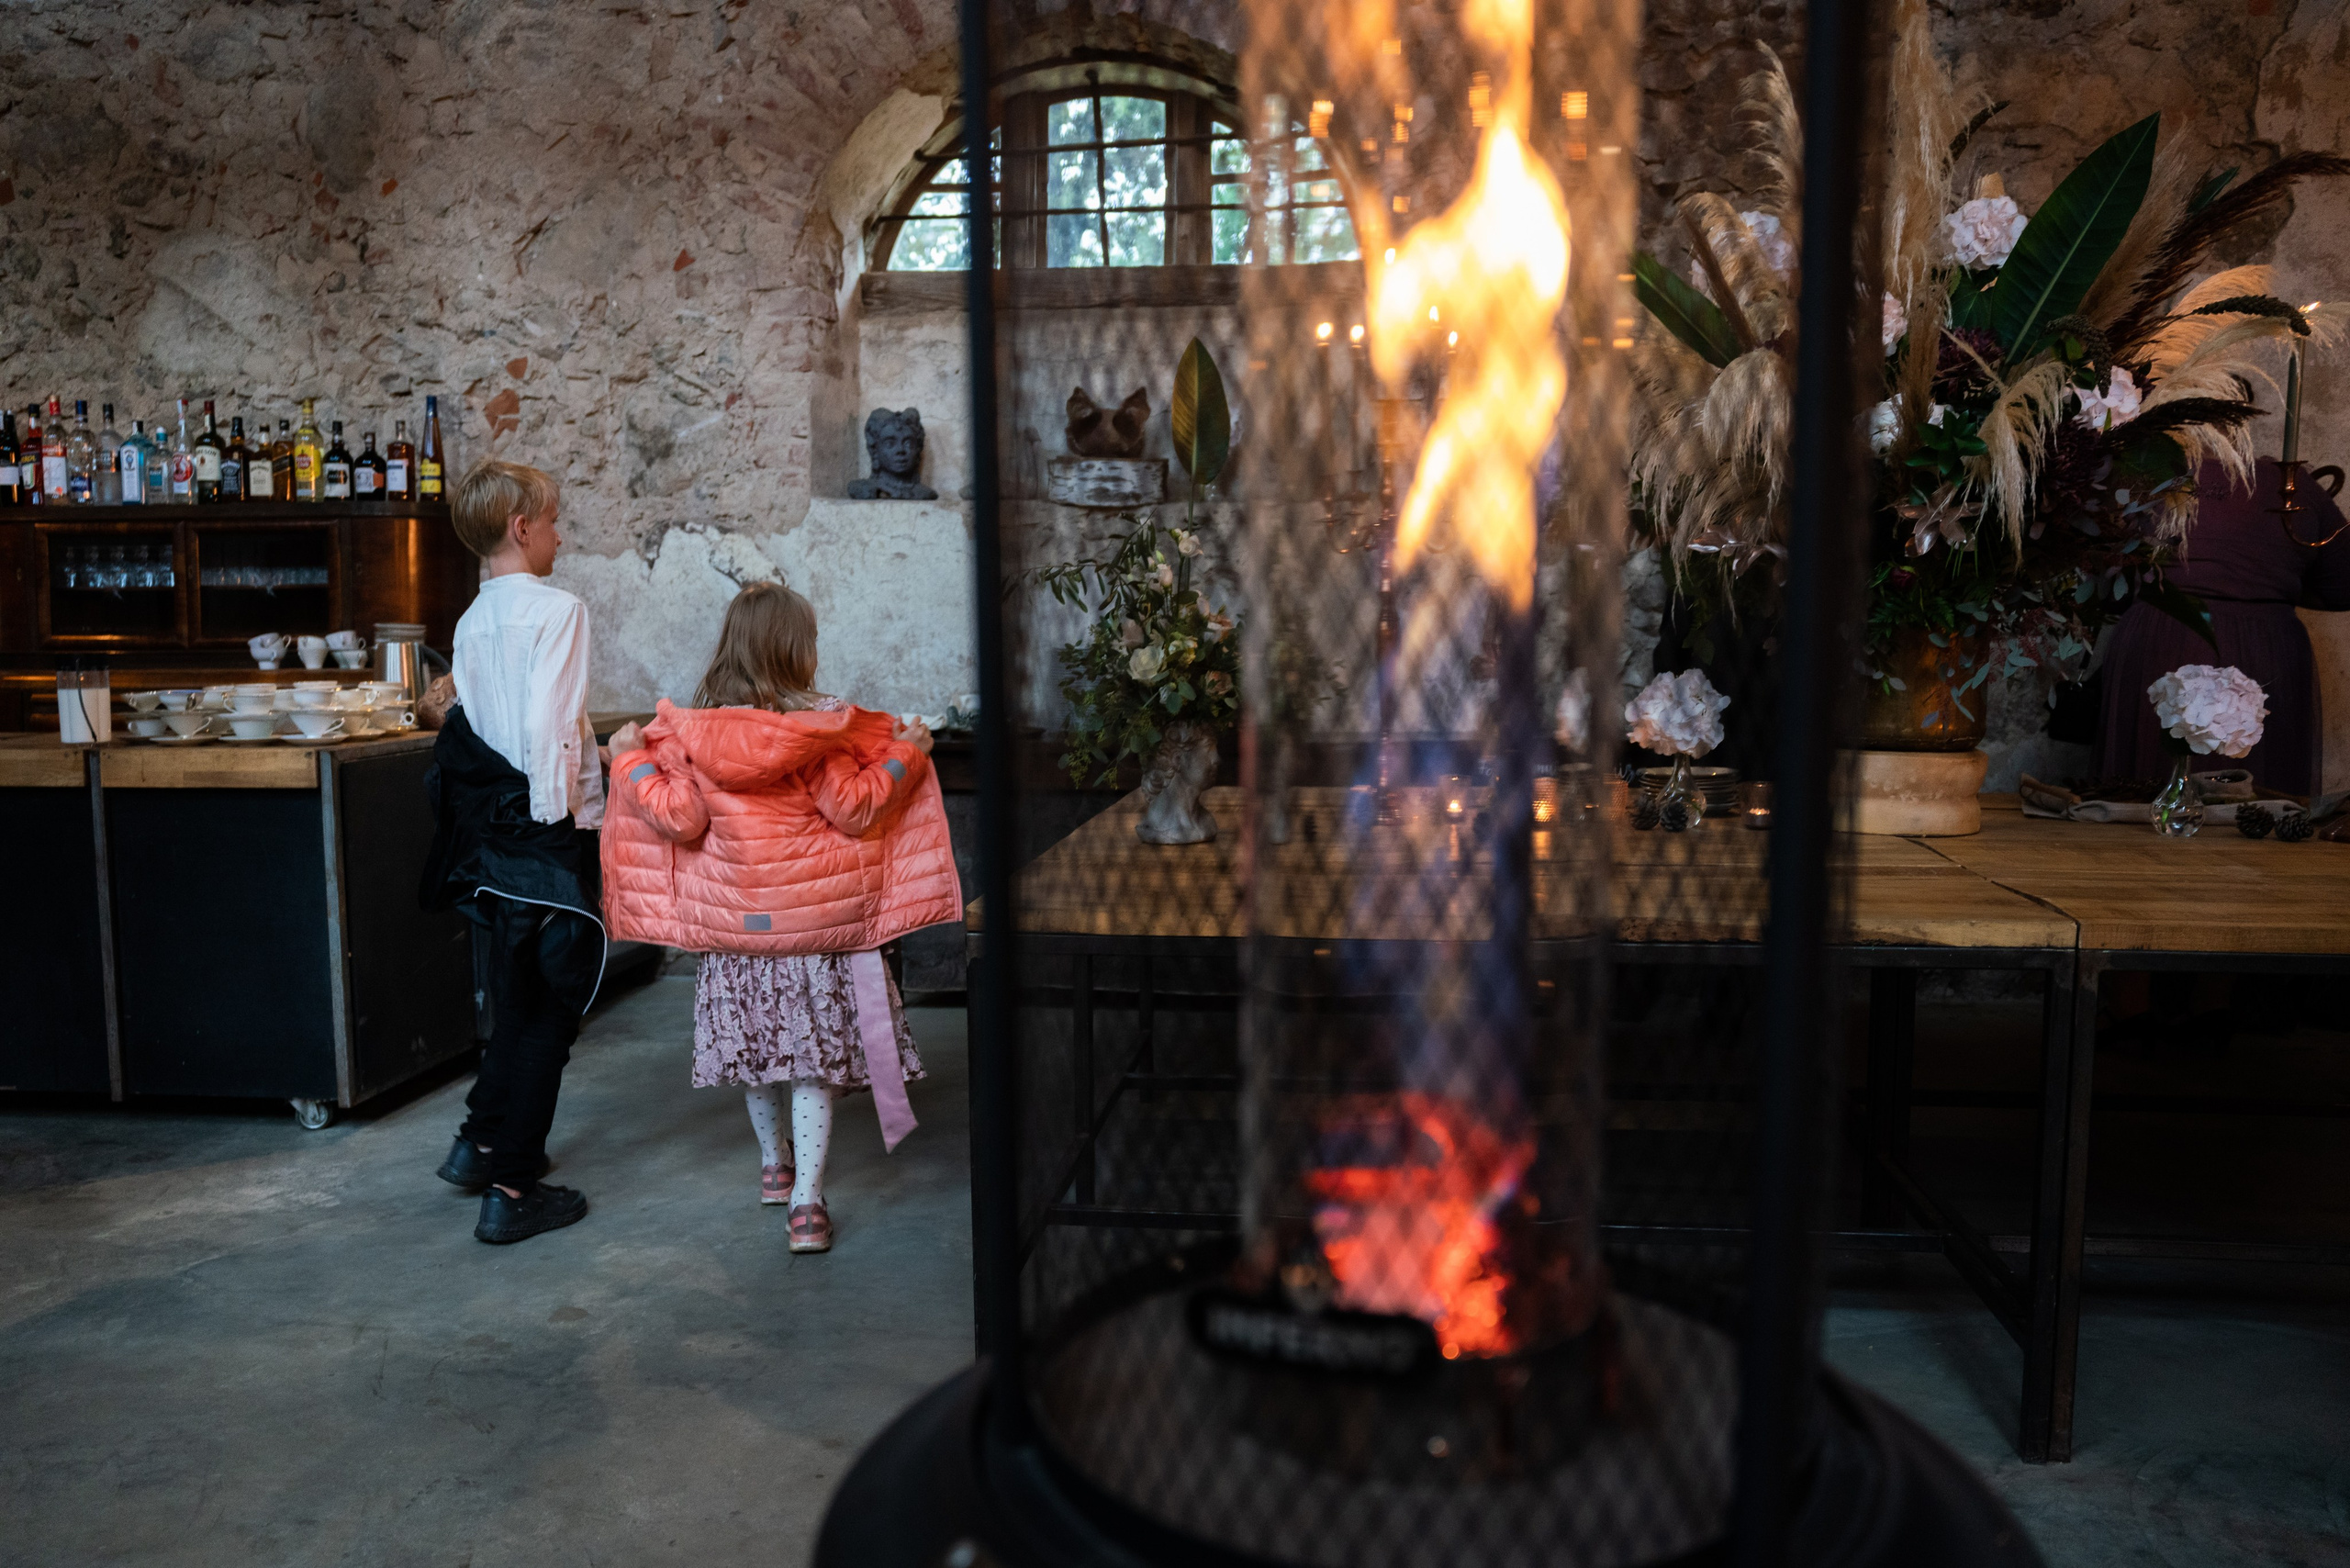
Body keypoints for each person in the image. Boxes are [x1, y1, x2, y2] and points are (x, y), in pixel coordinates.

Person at [600, 583, 960, 1252]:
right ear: (798, 651)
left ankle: (774, 1167)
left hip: (736, 935)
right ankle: (807, 1206)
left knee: (756, 1056)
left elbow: (680, 818)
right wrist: (908, 752)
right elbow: (855, 807)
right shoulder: (819, 730)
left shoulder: (692, 734)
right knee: (809, 1065)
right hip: (811, 934)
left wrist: (628, 759)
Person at [418, 460, 607, 1245]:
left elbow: (483, 730)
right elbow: (547, 728)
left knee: (516, 999)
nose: (561, 534)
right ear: (522, 528)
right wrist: (553, 834)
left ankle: (479, 1145)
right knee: (550, 1013)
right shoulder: (559, 610)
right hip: (543, 831)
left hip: (494, 836)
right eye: (554, 520)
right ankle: (513, 1187)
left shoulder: (470, 622)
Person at [2093, 457, 2350, 793]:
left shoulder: (2141, 470)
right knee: (2253, 796)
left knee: (2148, 789)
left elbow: (2104, 581)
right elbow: (2342, 584)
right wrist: (2270, 585)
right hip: (2265, 645)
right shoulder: (2290, 483)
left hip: (2162, 637)